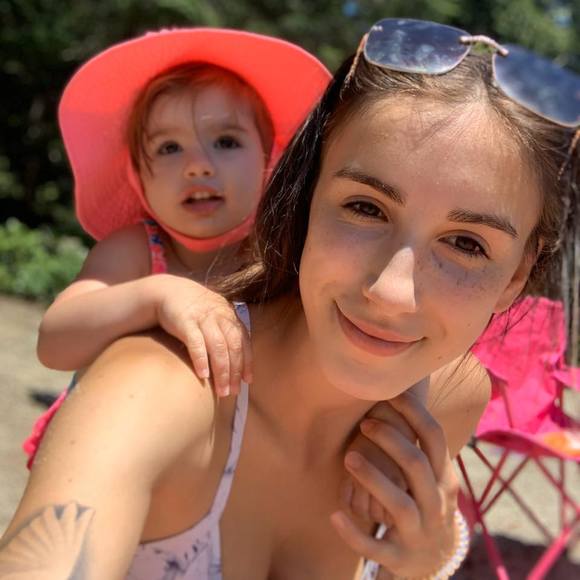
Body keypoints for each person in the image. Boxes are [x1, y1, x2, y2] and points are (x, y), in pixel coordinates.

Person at [3, 17, 579, 579]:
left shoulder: (451, 399)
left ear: (515, 278)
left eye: (466, 244)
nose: (391, 293)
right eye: (365, 208)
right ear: (303, 197)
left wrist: (426, 564)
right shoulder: (155, 390)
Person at [22, 28, 331, 466]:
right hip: (109, 455)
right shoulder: (136, 251)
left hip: (222, 472)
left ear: (270, 160)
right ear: (137, 176)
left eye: (226, 142)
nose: (197, 165)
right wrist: (156, 296)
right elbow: (53, 342)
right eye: (169, 147)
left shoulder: (281, 261)